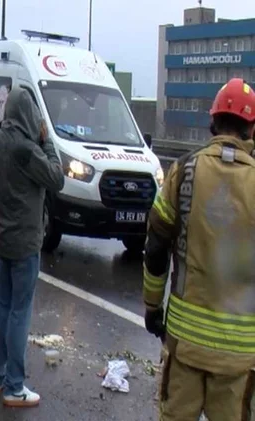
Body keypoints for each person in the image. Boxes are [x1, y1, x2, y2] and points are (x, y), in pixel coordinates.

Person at [143, 77, 255, 421]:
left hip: (185, 344)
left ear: (212, 122)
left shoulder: (183, 171)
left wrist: (152, 307)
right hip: (238, 354)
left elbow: (156, 245)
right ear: (251, 128)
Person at [0, 88, 64, 407]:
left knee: (2, 308)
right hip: (25, 242)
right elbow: (56, 178)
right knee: (19, 312)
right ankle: (15, 387)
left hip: (2, 239)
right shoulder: (26, 149)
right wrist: (47, 141)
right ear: (28, 114)